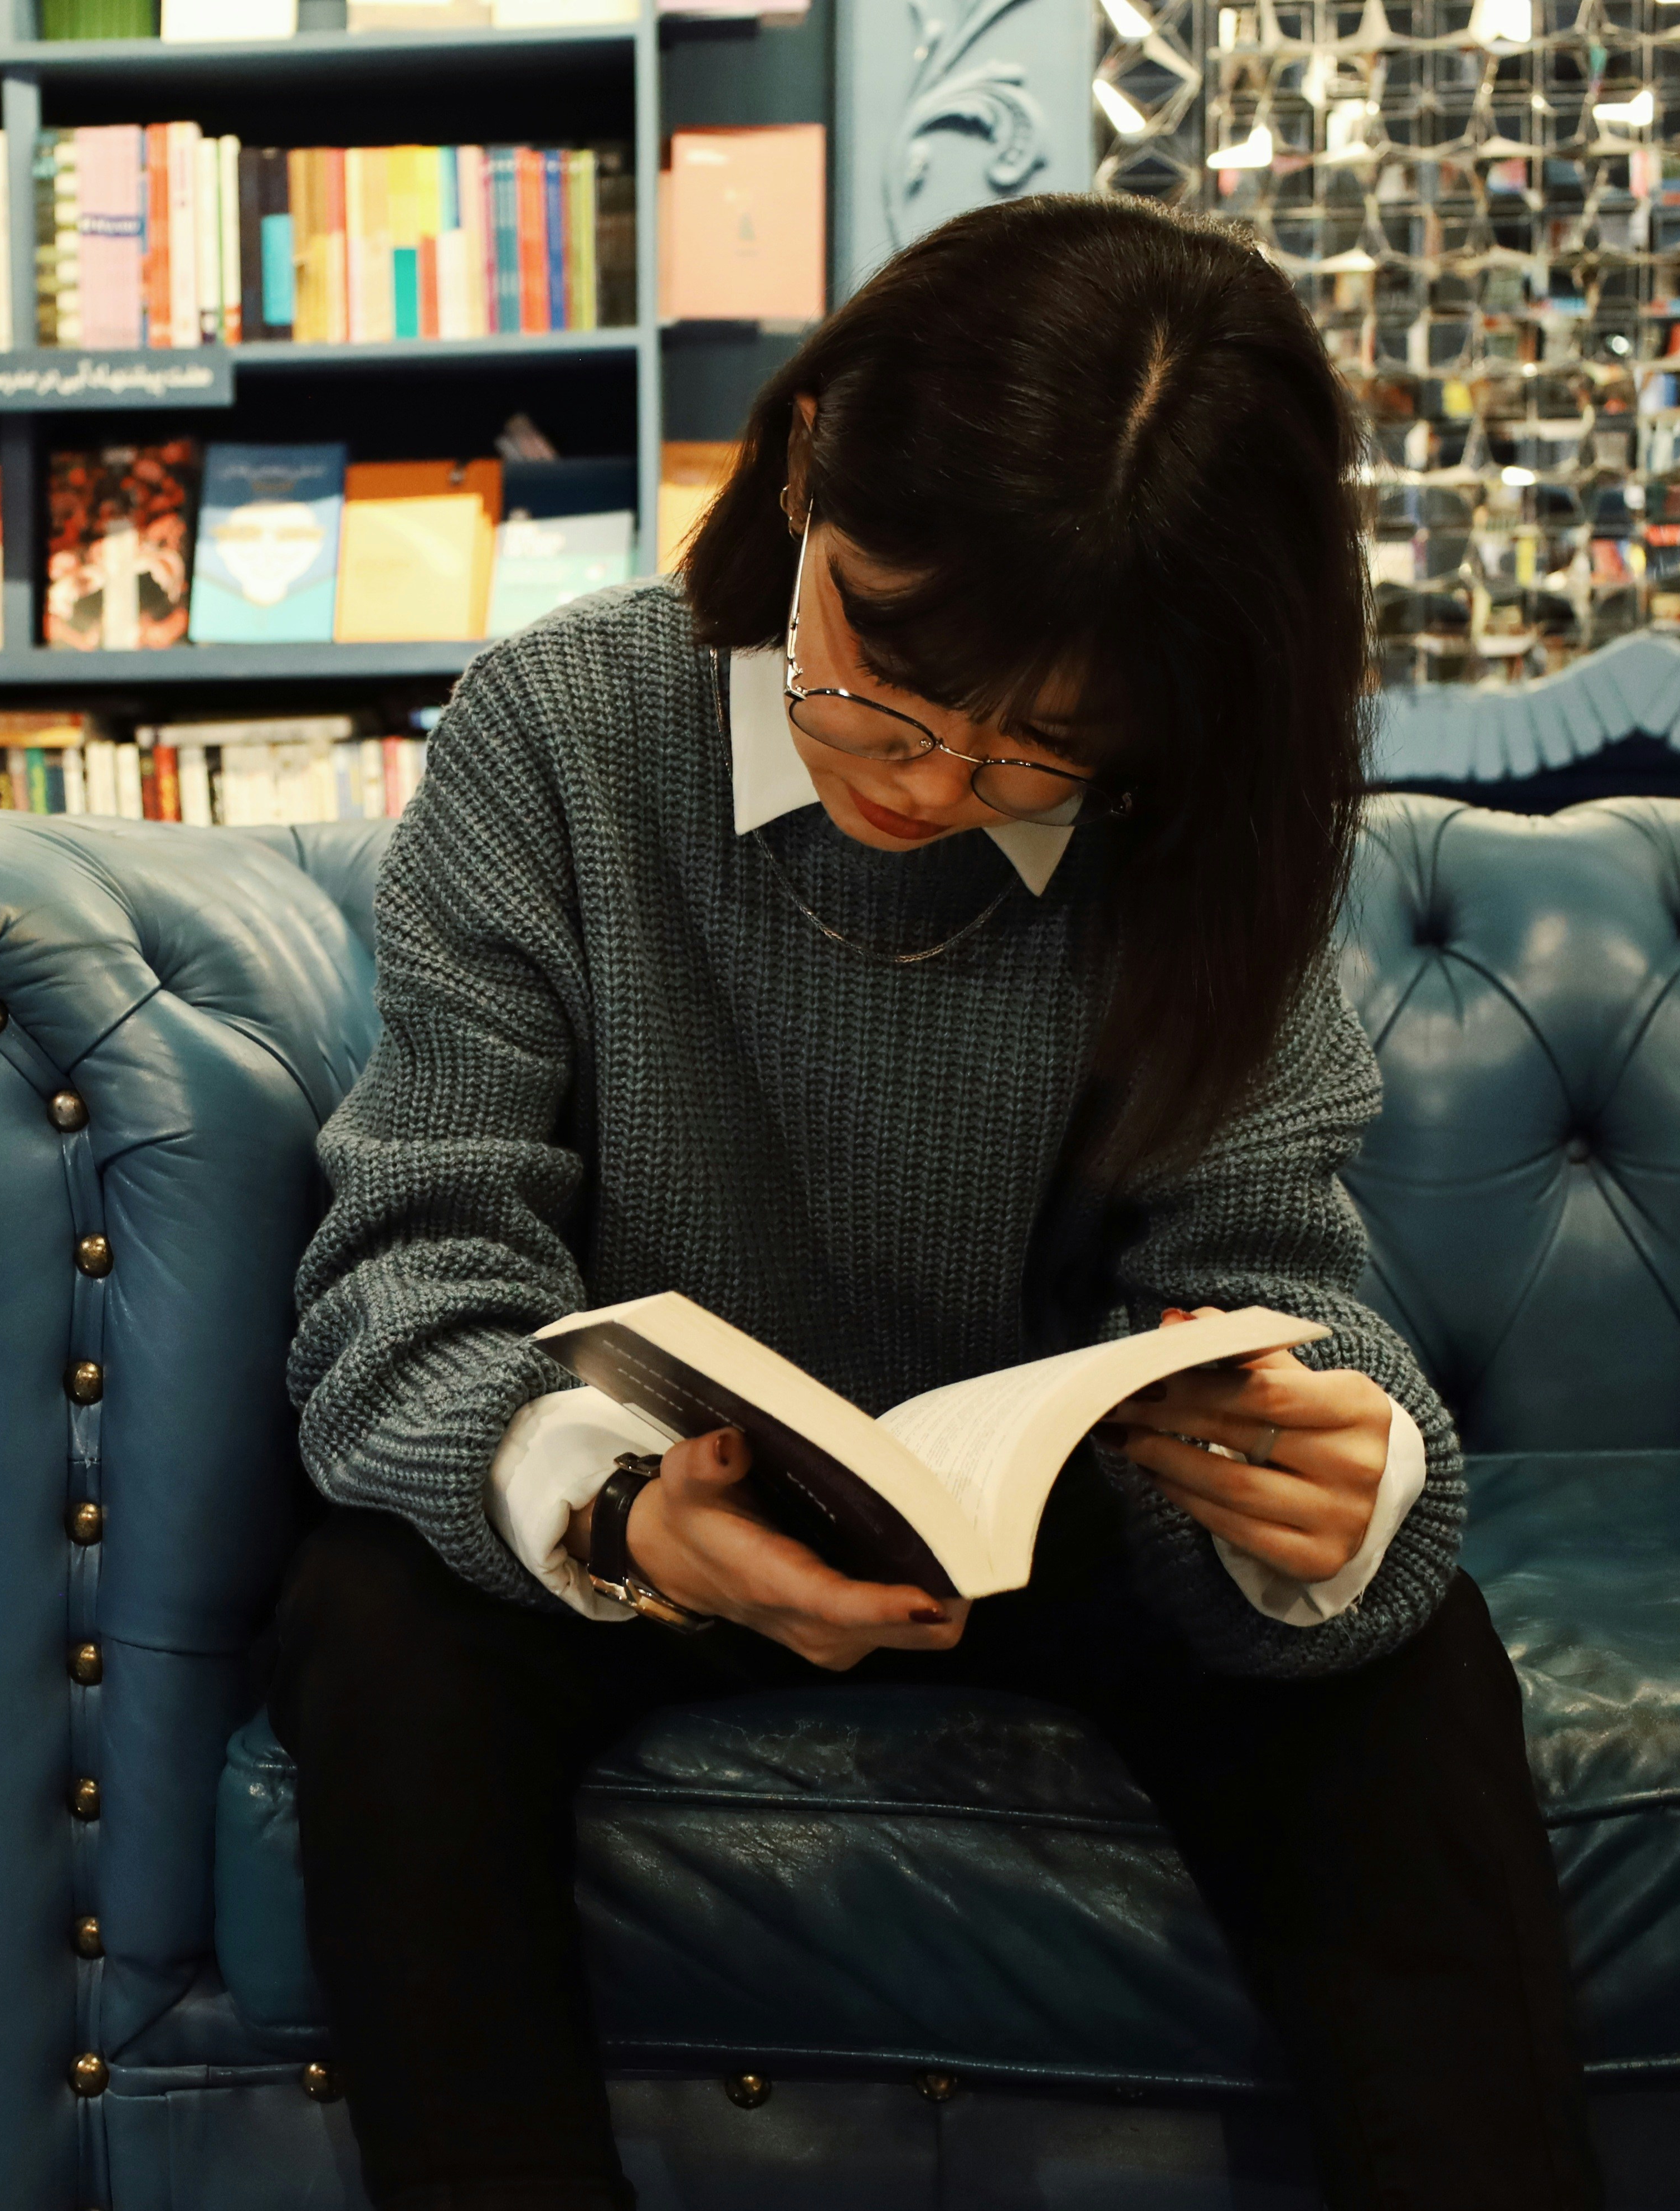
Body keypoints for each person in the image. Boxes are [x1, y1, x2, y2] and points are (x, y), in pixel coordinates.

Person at [269, 192, 1596, 2211]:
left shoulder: (1214, 824)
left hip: (1084, 1545)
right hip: (677, 1521)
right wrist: (623, 1507)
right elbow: (416, 1256)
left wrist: (1340, 1485)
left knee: (1393, 1658)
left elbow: (1262, 1276)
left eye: (1042, 747)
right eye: (881, 670)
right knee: (375, 1620)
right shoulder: (560, 730)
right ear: (806, 466)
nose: (925, 777)